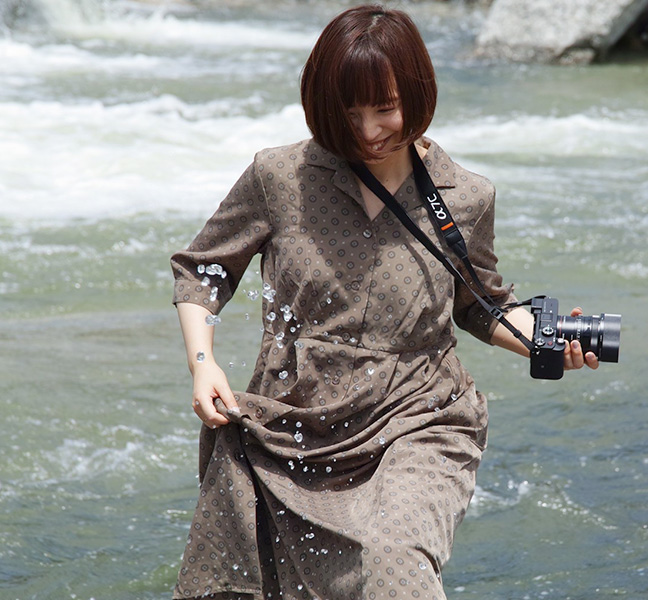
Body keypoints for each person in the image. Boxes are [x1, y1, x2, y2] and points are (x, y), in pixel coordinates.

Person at [170, 5, 598, 599]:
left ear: (417, 96)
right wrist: (203, 364)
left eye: (385, 109)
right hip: (292, 427)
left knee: (394, 559)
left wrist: (550, 343)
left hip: (418, 418)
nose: (369, 131)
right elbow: (205, 270)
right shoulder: (280, 177)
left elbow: (480, 304)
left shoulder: (466, 197)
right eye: (349, 114)